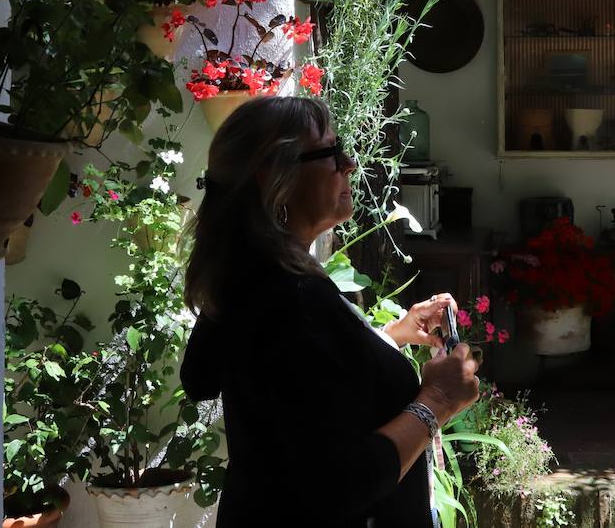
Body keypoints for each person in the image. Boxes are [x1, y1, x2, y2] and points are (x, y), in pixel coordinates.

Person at [181, 96, 480, 527]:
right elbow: (340, 484)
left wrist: (389, 337)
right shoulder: (291, 296)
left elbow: (272, 379)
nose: (349, 165)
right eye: (331, 154)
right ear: (274, 179)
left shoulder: (248, 277)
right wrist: (437, 401)